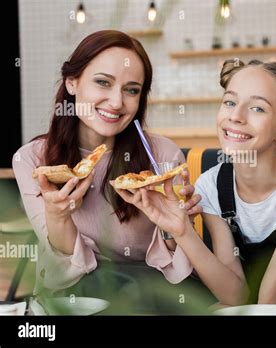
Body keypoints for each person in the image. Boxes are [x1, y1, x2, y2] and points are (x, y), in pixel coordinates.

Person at [115, 59, 276, 306]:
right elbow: (237, 297)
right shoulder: (213, 185)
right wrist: (182, 231)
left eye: (257, 108)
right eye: (230, 102)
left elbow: (274, 304)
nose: (235, 116)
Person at [12, 31, 203, 305]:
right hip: (75, 296)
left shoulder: (163, 155)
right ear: (72, 82)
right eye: (103, 82)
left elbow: (172, 262)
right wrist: (58, 216)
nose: (116, 102)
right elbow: (68, 263)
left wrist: (174, 226)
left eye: (132, 90)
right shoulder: (32, 160)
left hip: (150, 296)